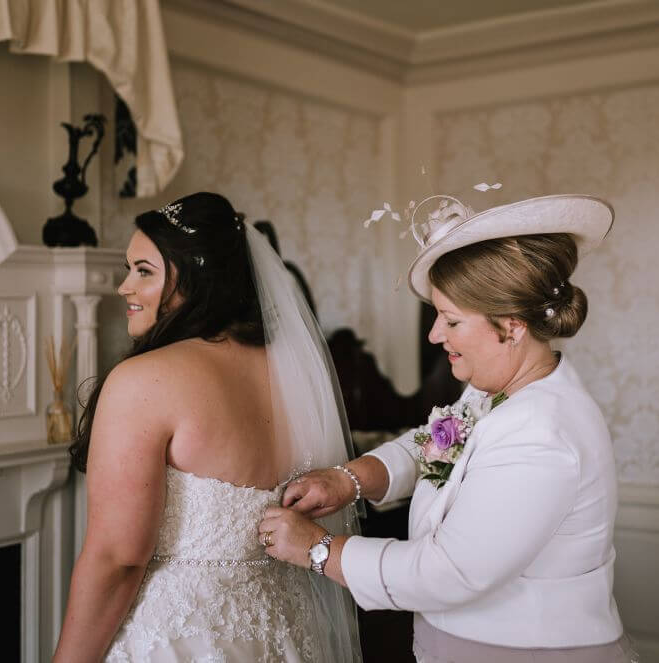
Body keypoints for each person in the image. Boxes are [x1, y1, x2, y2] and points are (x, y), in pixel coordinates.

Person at [260, 194, 635, 662]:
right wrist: (347, 480)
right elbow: (431, 445)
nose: (435, 335)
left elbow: (449, 572)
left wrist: (318, 549)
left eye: (451, 320)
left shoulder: (541, 431)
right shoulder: (496, 393)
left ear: (513, 326)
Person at [54, 192, 361, 662]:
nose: (123, 287)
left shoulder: (144, 380)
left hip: (182, 637)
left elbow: (118, 558)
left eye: (143, 271)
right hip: (282, 631)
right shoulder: (291, 372)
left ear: (194, 277)